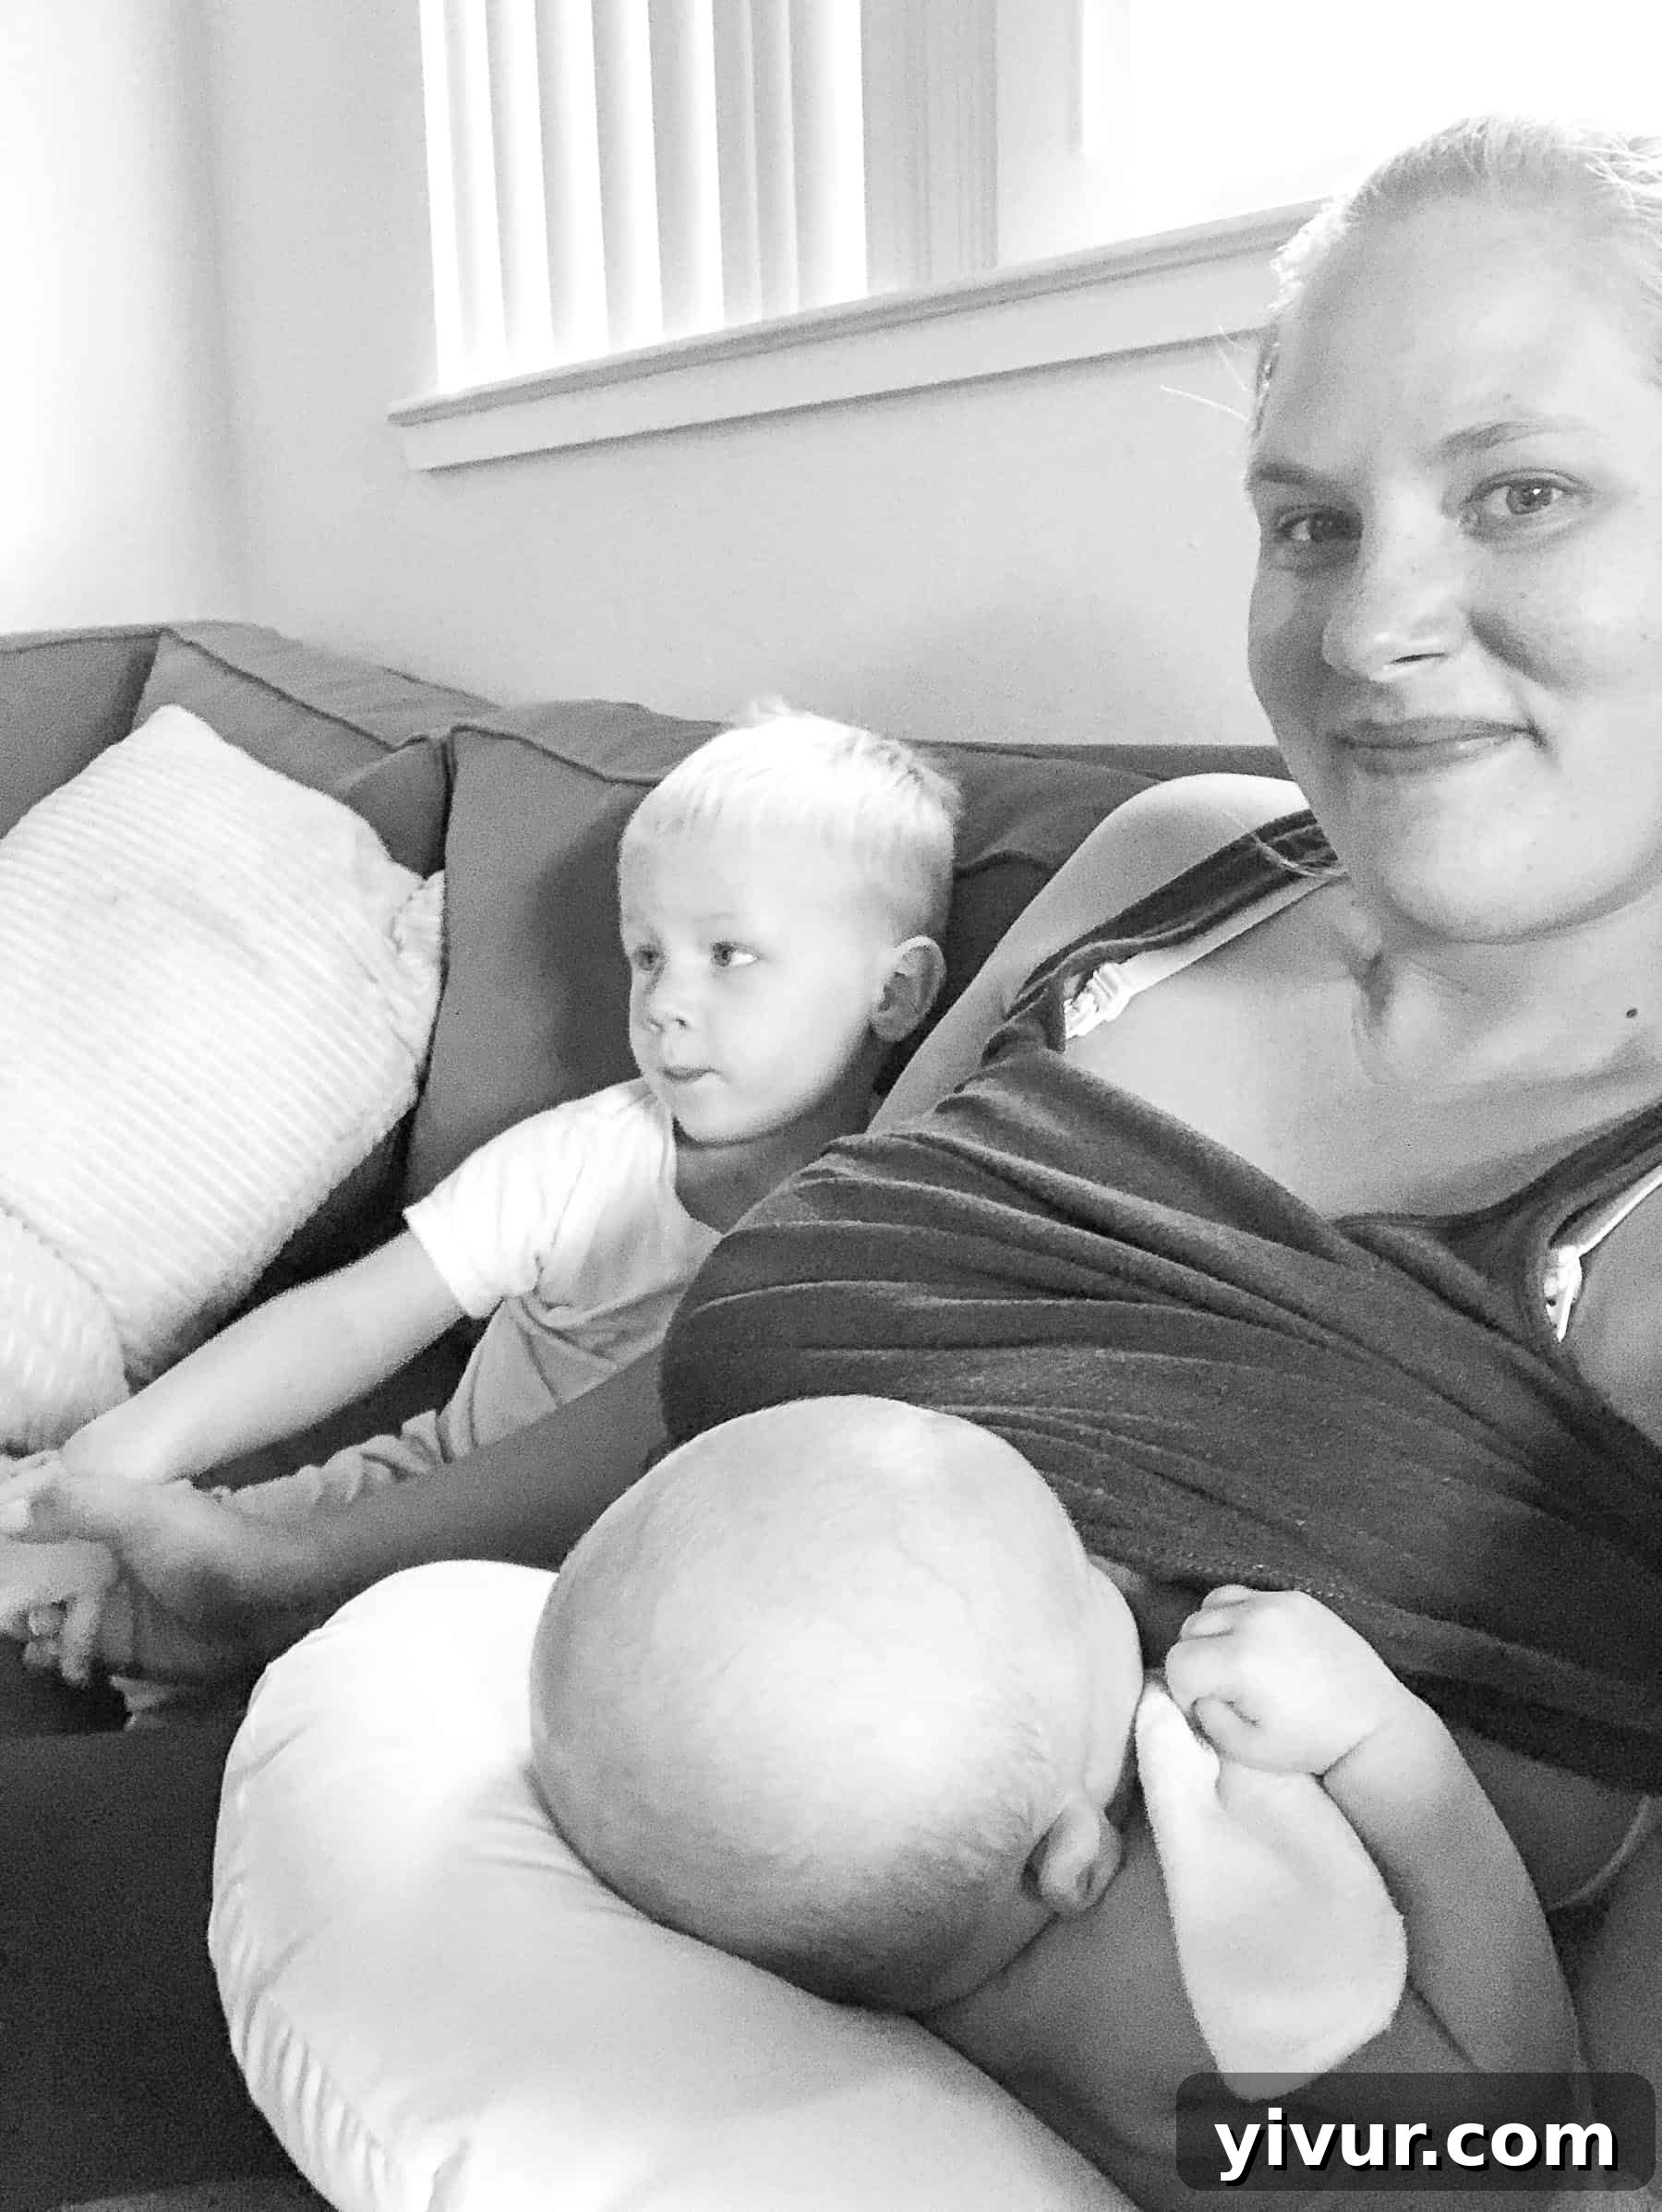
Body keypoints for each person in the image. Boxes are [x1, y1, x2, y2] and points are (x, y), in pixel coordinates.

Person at [3, 109, 1662, 2196]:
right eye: (1307, 522)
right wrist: (278, 1567)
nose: (1366, 624)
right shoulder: (1155, 880)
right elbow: (764, 1363)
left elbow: (1585, 2161)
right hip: (483, 1853)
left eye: (1522, 493)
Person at [1, 710, 958, 1689]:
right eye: (648, 955)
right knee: (109, 1580)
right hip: (416, 1497)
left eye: (730, 955)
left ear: (895, 992)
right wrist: (119, 1449)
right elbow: (354, 1316)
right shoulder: (588, 1153)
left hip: (648, 1590)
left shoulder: (895, 1212)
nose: (666, 1002)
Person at [529, 1395, 1579, 2208]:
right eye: (1081, 1585)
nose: (1120, 1576)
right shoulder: (1200, 1958)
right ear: (1072, 1859)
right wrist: (1383, 1737)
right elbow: (1514, 2140)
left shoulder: (907, 1981)